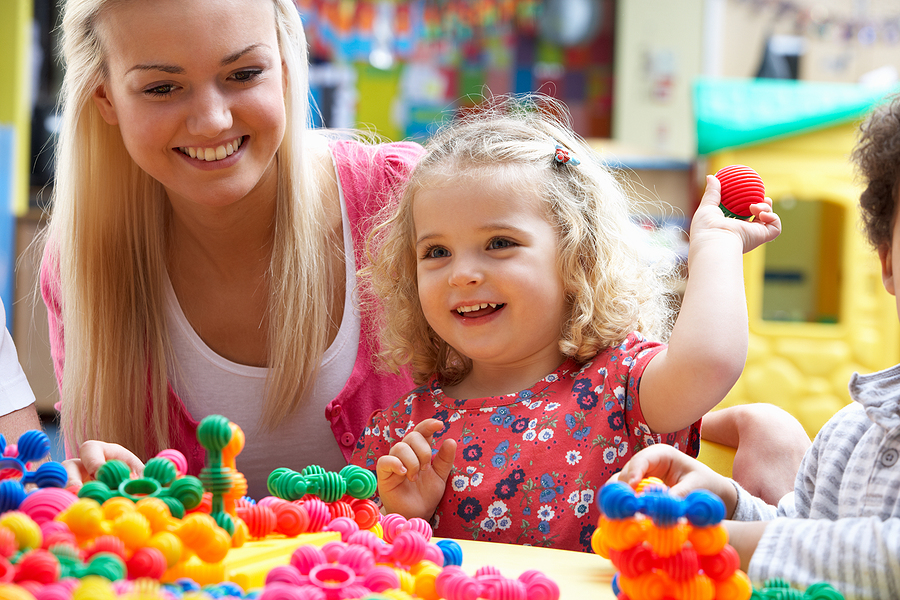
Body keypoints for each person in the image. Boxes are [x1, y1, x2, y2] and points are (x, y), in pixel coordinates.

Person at [29, 0, 425, 499]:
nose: (212, 121)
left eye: (243, 74)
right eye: (161, 87)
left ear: (283, 65)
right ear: (105, 97)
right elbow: (108, 516)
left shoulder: (406, 204)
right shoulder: (83, 265)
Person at [348, 97, 782, 552]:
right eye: (436, 252)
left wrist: (716, 243)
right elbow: (356, 564)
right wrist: (403, 519)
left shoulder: (622, 388)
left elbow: (708, 363)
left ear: (577, 258)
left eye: (499, 243)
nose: (461, 273)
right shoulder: (402, 431)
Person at [615, 93, 900, 596]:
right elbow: (801, 534)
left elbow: (885, 557)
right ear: (888, 264)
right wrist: (727, 502)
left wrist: (719, 538)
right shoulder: (849, 435)